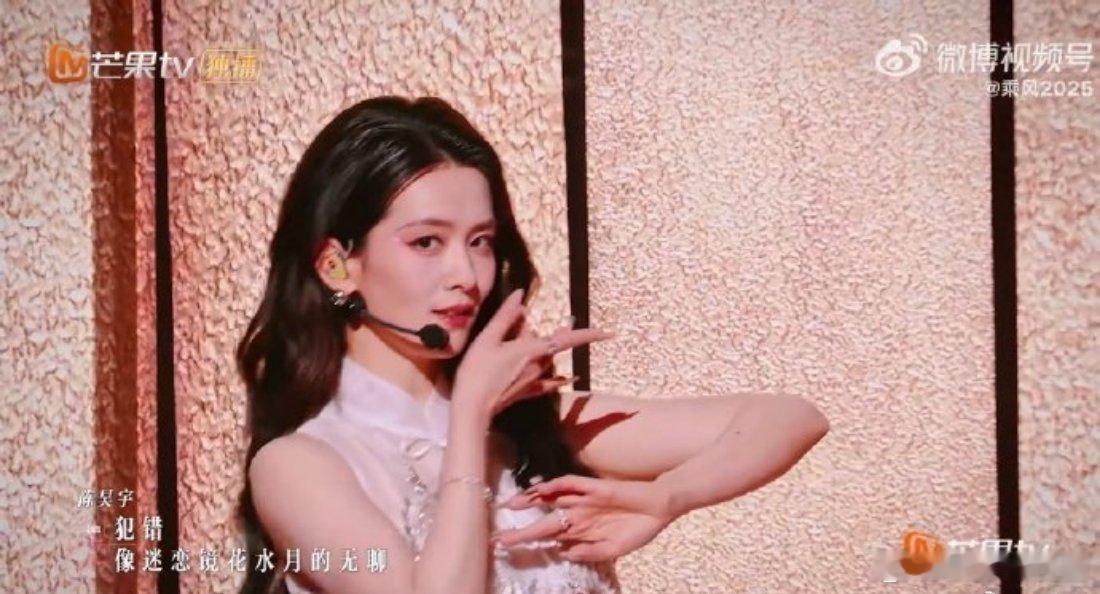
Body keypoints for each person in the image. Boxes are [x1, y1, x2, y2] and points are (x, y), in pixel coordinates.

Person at [236, 96, 830, 594]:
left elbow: (791, 418)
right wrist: (469, 417)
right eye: (426, 242)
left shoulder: (535, 424)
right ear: (337, 266)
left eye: (481, 241)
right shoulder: (299, 465)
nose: (466, 275)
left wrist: (667, 496)